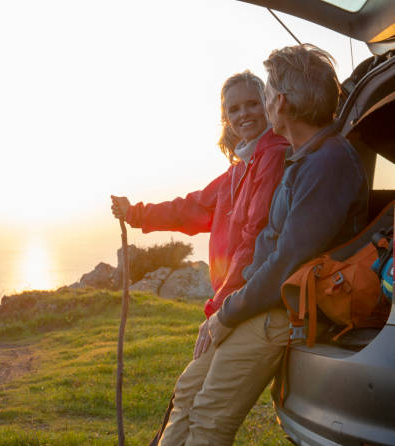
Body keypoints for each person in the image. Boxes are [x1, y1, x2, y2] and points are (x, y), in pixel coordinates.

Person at [153, 44, 368, 446]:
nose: (262, 105)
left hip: (279, 311)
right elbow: (270, 247)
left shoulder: (328, 163)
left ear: (280, 102)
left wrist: (228, 311)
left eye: (265, 95)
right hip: (258, 302)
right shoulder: (305, 157)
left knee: (208, 417)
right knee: (187, 392)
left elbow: (288, 260)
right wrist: (231, 305)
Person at [112, 70, 288, 361]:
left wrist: (219, 306)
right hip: (235, 301)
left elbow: (254, 239)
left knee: (201, 397)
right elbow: (190, 209)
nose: (244, 113)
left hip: (249, 301)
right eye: (234, 109)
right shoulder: (238, 171)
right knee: (192, 393)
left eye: (253, 104)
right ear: (226, 118)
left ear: (268, 104)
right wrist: (135, 214)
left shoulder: (273, 156)